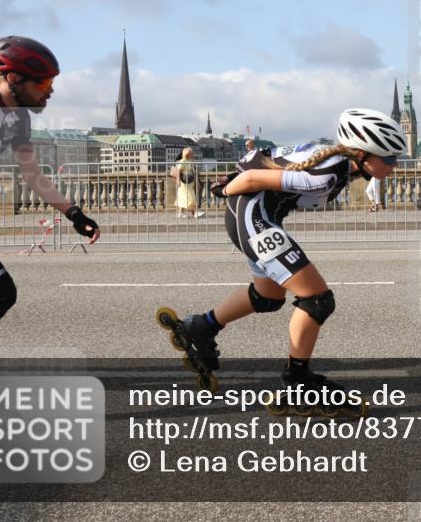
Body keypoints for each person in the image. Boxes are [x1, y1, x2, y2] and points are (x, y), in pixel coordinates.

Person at [159, 108, 406, 414]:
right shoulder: (327, 174)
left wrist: (234, 183)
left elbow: (266, 159)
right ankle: (298, 381)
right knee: (317, 299)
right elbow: (251, 178)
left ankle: (202, 326)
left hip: (257, 215)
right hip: (253, 217)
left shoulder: (340, 163)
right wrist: (224, 189)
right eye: (389, 158)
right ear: (362, 154)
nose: (395, 165)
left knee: (268, 297)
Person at [0, 36, 101, 402]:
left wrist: (73, 213)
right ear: (12, 78)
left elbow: (33, 175)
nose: (50, 90)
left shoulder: (18, 118)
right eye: (44, 82)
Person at [173, 147, 203, 218]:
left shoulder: (188, 161)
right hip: (184, 183)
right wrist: (178, 181)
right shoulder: (183, 161)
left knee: (185, 197)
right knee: (189, 197)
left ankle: (182, 213)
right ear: (187, 154)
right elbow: (178, 171)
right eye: (191, 153)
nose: (192, 154)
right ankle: (195, 212)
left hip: (188, 182)